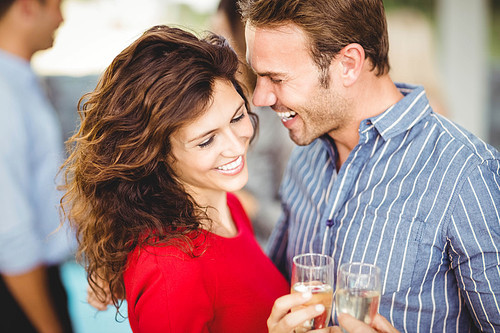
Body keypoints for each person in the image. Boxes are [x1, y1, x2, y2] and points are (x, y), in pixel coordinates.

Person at [238, 0, 500, 332]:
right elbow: (276, 289)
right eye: (257, 76)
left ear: (348, 63)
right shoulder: (305, 158)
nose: (260, 98)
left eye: (275, 77)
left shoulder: (466, 173)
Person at [60, 25, 289, 333]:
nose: (236, 146)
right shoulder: (170, 268)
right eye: (206, 140)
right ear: (158, 154)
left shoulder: (229, 206)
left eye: (237, 117)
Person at [0, 0, 75, 332]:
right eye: (57, 5)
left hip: (38, 276)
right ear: (28, 7)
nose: (61, 17)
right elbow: (9, 230)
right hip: (21, 290)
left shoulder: (20, 79)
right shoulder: (4, 92)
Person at [211, 0, 294, 246]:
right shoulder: (210, 110)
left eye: (221, 35)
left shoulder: (279, 118)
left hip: (262, 251)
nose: (213, 46)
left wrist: (249, 206)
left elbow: (298, 223)